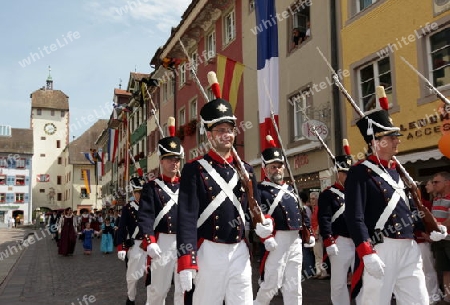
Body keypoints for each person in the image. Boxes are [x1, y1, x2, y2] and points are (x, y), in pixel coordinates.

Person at [176, 71, 273, 305]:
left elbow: (256, 204)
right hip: (209, 250)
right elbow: (187, 218)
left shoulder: (246, 170)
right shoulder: (194, 169)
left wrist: (265, 224)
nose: (227, 135)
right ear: (209, 135)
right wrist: (186, 260)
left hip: (239, 249)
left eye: (230, 129)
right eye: (220, 130)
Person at [344, 104, 442, 304]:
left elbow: (410, 207)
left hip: (409, 246)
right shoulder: (360, 172)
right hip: (380, 246)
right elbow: (355, 216)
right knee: (375, 300)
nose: (397, 140)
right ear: (375, 142)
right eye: (390, 137)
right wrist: (366, 252)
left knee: (419, 300)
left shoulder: (398, 171)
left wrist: (428, 227)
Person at [253, 135, 315, 305]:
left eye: (280, 167)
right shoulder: (261, 191)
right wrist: (266, 237)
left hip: (295, 239)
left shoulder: (291, 190)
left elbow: (301, 213)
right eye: (273, 167)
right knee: (272, 282)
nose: (277, 170)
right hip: (277, 238)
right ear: (265, 169)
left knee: (294, 283)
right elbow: (257, 217)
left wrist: (308, 232)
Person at [139, 116, 184, 305]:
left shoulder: (188, 187)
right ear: (161, 161)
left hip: (184, 240)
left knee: (184, 288)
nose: (174, 163)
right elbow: (145, 217)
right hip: (162, 241)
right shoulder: (151, 187)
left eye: (177, 159)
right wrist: (149, 241)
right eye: (169, 160)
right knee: (158, 289)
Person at [318, 151, 355, 305]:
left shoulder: (356, 193)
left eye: (349, 173)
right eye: (344, 173)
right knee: (339, 282)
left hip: (358, 241)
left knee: (363, 279)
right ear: (337, 173)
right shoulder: (328, 194)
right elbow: (324, 218)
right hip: (340, 241)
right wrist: (328, 239)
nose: (347, 177)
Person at [116, 176, 146, 305]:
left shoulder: (152, 206)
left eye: (141, 192)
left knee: (155, 275)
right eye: (137, 192)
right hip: (136, 245)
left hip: (151, 244)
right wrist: (121, 247)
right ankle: (131, 297)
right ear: (133, 193)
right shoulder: (128, 208)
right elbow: (122, 228)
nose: (139, 195)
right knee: (132, 276)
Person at [431, 172, 450, 304]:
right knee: (444, 270)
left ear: (447, 182)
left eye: (436, 182)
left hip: (449, 239)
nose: (433, 185)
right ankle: (448, 297)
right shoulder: (436, 199)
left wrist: (439, 228)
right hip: (440, 240)